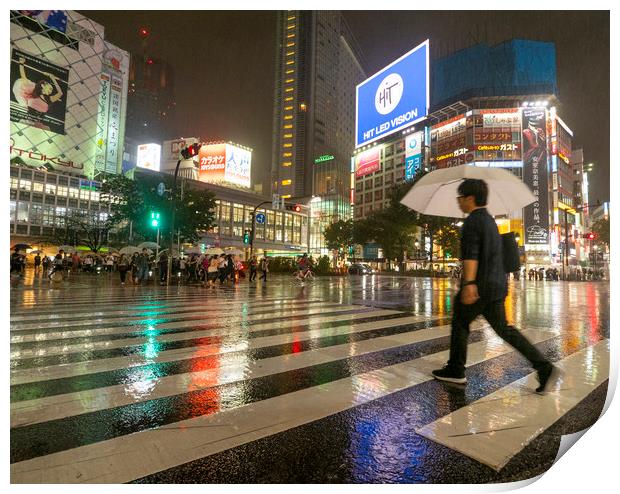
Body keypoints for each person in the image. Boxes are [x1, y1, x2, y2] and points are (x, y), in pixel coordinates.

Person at [431, 179, 556, 393]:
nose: (458, 202)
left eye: (460, 198)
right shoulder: (490, 220)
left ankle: (455, 370)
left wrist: (469, 283)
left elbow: (471, 256)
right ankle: (544, 366)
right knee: (504, 330)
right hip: (497, 285)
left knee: (460, 322)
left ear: (470, 198)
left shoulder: (472, 222)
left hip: (479, 286)